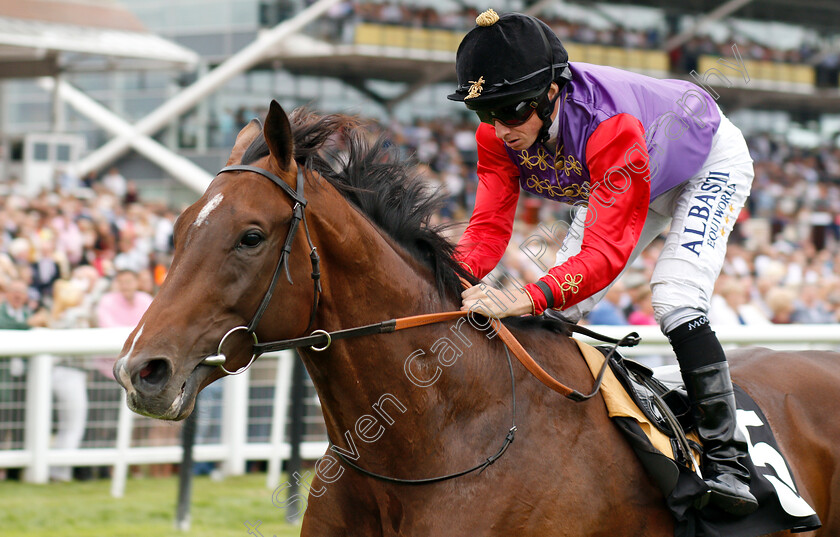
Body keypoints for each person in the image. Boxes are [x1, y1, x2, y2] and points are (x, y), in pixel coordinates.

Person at [449, 10, 758, 515]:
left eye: (511, 112)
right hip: (626, 176)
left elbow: (605, 254)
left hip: (702, 162)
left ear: (552, 93)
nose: (500, 128)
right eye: (486, 113)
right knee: (561, 313)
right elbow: (486, 230)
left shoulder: (607, 125)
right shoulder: (498, 134)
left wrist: (527, 295)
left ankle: (728, 459)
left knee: (675, 297)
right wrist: (449, 282)